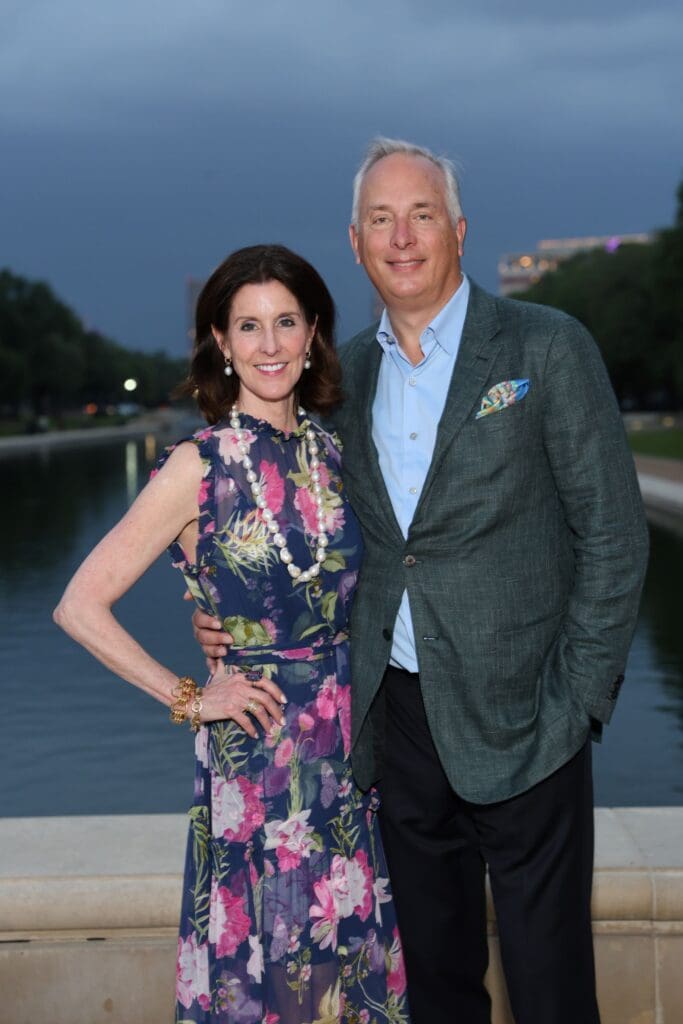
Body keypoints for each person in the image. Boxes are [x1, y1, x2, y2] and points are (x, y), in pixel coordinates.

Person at [193, 140, 650, 1024]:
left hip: (530, 721)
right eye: (380, 220)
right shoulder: (339, 381)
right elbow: (298, 534)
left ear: (459, 231)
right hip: (397, 732)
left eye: (422, 214)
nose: (401, 237)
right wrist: (221, 623)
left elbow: (613, 536)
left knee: (550, 985)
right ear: (356, 244)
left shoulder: (545, 346)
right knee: (435, 989)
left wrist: (577, 699)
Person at [54, 244, 410, 1024]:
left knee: (347, 964)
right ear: (220, 341)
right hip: (258, 758)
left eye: (286, 322)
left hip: (349, 752)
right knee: (271, 971)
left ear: (314, 330)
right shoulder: (198, 464)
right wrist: (187, 695)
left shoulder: (336, 452)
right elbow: (80, 605)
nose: (270, 344)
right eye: (248, 326)